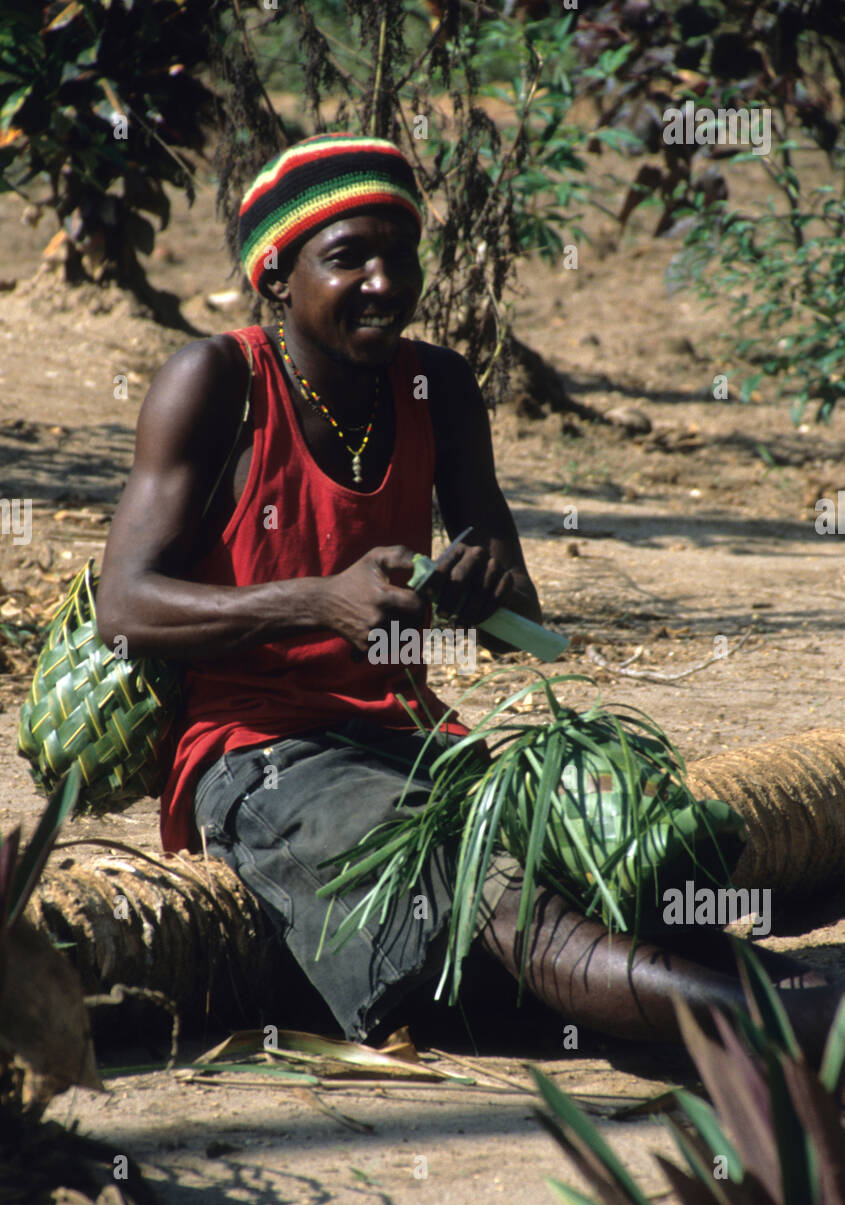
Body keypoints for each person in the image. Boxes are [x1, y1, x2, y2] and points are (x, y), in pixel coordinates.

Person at [97, 132, 840, 1055]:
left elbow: (510, 608)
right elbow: (125, 607)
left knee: (609, 868)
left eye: (399, 254)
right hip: (260, 749)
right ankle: (799, 1026)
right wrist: (317, 602)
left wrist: (483, 582)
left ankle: (785, 1001)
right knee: (509, 910)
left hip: (419, 741)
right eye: (348, 259)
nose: (383, 281)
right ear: (277, 276)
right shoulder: (213, 381)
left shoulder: (437, 386)